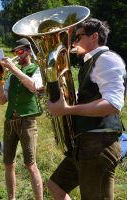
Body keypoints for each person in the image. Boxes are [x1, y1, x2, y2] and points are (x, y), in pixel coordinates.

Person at [47, 18, 126, 200]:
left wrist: (66, 109)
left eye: (78, 37)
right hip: (85, 143)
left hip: (100, 143)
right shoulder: (89, 64)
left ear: (94, 37)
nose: (74, 43)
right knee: (56, 186)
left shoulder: (106, 59)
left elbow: (113, 104)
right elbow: (90, 95)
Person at [0, 38, 43, 200]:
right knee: (8, 164)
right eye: (15, 52)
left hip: (27, 120)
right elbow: (2, 101)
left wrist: (13, 68)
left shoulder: (37, 69)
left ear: (29, 51)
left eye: (20, 51)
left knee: (30, 164)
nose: (17, 54)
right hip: (10, 121)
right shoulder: (11, 77)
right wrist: (0, 79)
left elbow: (33, 87)